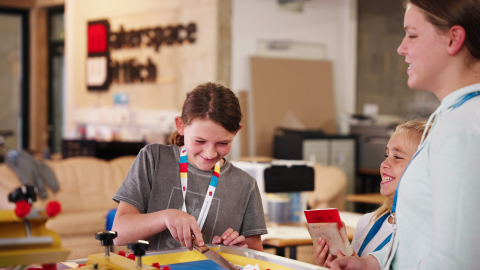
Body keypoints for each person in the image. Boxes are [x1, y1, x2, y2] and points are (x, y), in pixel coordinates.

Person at [330, 0, 480, 269]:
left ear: (454, 39)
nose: (401, 47)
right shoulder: (453, 117)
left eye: (412, 35)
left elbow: (454, 261)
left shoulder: (463, 128)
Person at [111, 82, 267, 251]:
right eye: (200, 141)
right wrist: (165, 217)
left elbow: (255, 252)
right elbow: (118, 234)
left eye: (223, 143)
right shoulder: (153, 159)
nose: (209, 154)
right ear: (181, 126)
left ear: (236, 132)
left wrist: (234, 248)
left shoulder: (245, 184)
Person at [314, 120, 431, 267]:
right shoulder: (367, 223)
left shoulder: (427, 234)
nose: (384, 164)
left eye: (398, 157)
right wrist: (327, 265)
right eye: (386, 155)